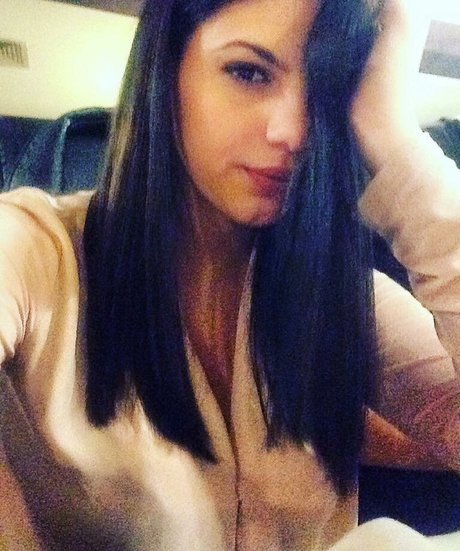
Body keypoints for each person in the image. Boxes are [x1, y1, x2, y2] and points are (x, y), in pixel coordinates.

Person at [0, 0, 459, 549]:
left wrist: (397, 141)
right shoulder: (34, 252)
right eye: (248, 72)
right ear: (166, 69)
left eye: (327, 89)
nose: (295, 132)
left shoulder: (344, 300)